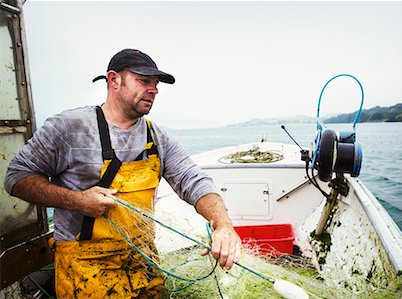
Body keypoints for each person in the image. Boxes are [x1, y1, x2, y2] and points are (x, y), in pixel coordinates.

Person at [4, 48, 241, 298]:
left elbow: (194, 180)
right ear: (114, 80)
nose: (154, 89)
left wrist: (223, 225)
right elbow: (16, 178)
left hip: (143, 263)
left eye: (156, 83)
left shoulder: (157, 138)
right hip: (86, 269)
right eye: (144, 80)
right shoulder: (68, 127)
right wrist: (77, 200)